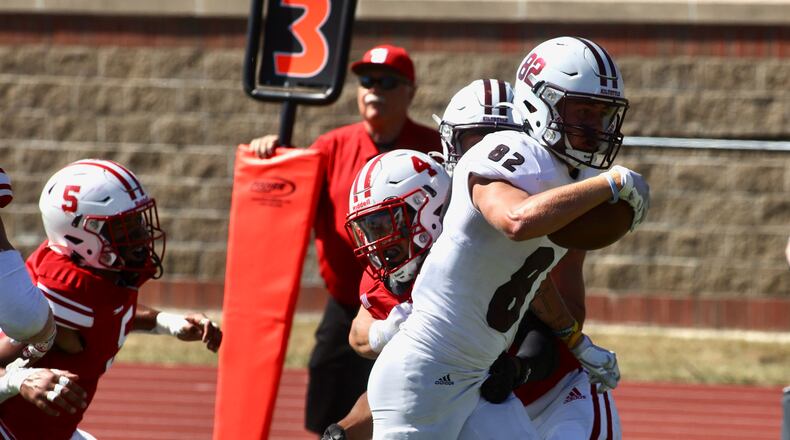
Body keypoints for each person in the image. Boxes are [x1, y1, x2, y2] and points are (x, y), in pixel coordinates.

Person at [366, 36, 650, 438]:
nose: (594, 127)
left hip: (476, 379)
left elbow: (531, 280)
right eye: (582, 111)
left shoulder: (570, 174)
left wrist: (577, 341)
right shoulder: (504, 151)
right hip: (423, 373)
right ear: (540, 102)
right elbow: (516, 221)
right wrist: (612, 183)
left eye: (602, 114)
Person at [250, 44, 441, 435]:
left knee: (409, 396)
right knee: (327, 388)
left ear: (411, 91)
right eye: (367, 81)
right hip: (347, 300)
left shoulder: (431, 148)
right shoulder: (331, 146)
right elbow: (286, 195)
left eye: (387, 82)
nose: (374, 90)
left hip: (412, 301)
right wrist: (270, 156)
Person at [0, 159, 222, 439]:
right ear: (80, 234)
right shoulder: (62, 292)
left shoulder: (98, 277)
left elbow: (109, 313)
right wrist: (17, 380)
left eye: (137, 222)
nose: (140, 235)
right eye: (122, 227)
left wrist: (167, 323)